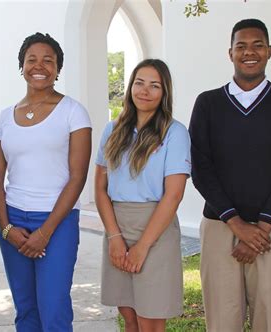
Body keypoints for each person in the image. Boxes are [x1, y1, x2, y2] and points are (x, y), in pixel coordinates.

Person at [189, 18, 271, 332]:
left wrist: (261, 227)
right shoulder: (208, 104)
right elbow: (201, 167)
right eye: (241, 46)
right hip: (220, 228)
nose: (249, 52)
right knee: (221, 322)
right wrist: (236, 224)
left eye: (258, 45)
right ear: (229, 53)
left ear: (269, 51)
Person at [0, 32, 92, 332]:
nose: (39, 66)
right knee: (25, 309)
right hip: (13, 221)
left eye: (49, 60)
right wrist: (6, 227)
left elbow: (78, 177)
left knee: (54, 309)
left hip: (56, 222)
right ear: (21, 66)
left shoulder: (73, 112)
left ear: (58, 68)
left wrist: (45, 232)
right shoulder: (5, 118)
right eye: (31, 59)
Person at [95, 59, 190, 332]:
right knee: (129, 315)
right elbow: (100, 188)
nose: (144, 91)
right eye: (139, 83)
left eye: (154, 85)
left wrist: (142, 246)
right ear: (130, 87)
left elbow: (173, 196)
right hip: (117, 226)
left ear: (164, 93)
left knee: (150, 320)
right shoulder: (112, 130)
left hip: (155, 230)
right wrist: (114, 237)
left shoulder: (174, 133)